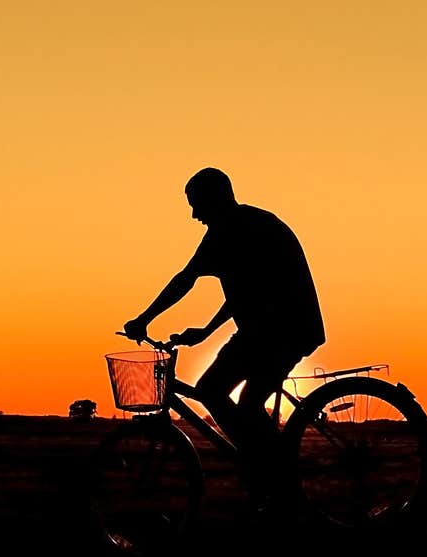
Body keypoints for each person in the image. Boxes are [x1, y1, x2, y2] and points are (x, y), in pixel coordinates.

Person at [123, 167, 325, 507]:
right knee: (215, 392)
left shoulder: (236, 229)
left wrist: (144, 318)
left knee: (237, 399)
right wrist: (205, 330)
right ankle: (264, 467)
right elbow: (245, 292)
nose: (194, 214)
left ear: (215, 197)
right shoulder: (238, 227)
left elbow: (185, 279)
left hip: (285, 329)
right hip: (262, 331)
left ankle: (276, 475)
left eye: (196, 204)